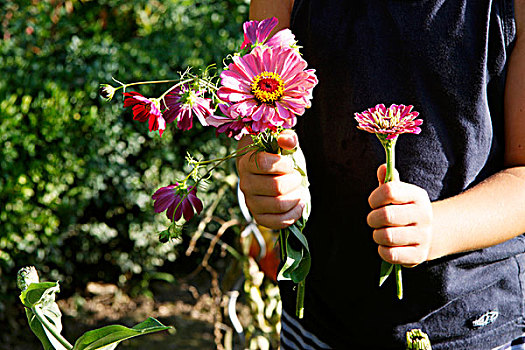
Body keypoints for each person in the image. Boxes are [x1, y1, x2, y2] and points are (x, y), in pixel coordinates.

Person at [236, 0, 525, 349]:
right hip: (320, 319)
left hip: (472, 321)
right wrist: (262, 169)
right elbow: (255, 108)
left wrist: (435, 227)